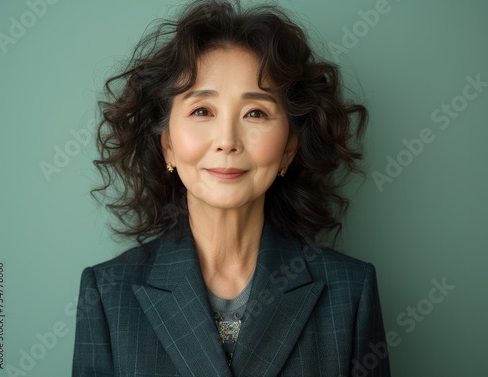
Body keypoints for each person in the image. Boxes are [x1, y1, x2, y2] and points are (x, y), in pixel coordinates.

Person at [72, 1, 391, 376]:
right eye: (202, 111)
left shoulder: (350, 291)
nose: (227, 140)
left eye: (255, 112)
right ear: (168, 144)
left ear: (289, 146)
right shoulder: (108, 295)